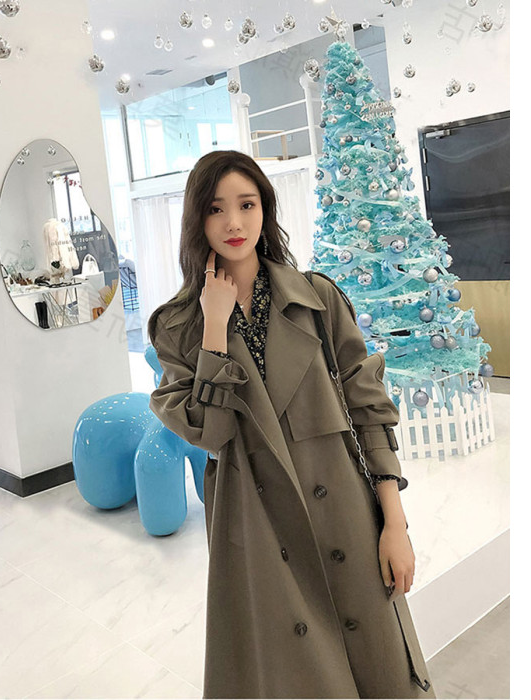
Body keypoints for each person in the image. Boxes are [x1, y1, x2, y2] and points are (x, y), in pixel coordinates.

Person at [147, 150, 435, 699]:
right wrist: (214, 328)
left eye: (247, 204)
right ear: (196, 219)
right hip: (258, 531)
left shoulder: (317, 299)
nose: (233, 222)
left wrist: (394, 524)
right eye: (216, 208)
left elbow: (368, 410)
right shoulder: (178, 327)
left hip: (345, 516)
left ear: (265, 210)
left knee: (379, 668)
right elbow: (211, 433)